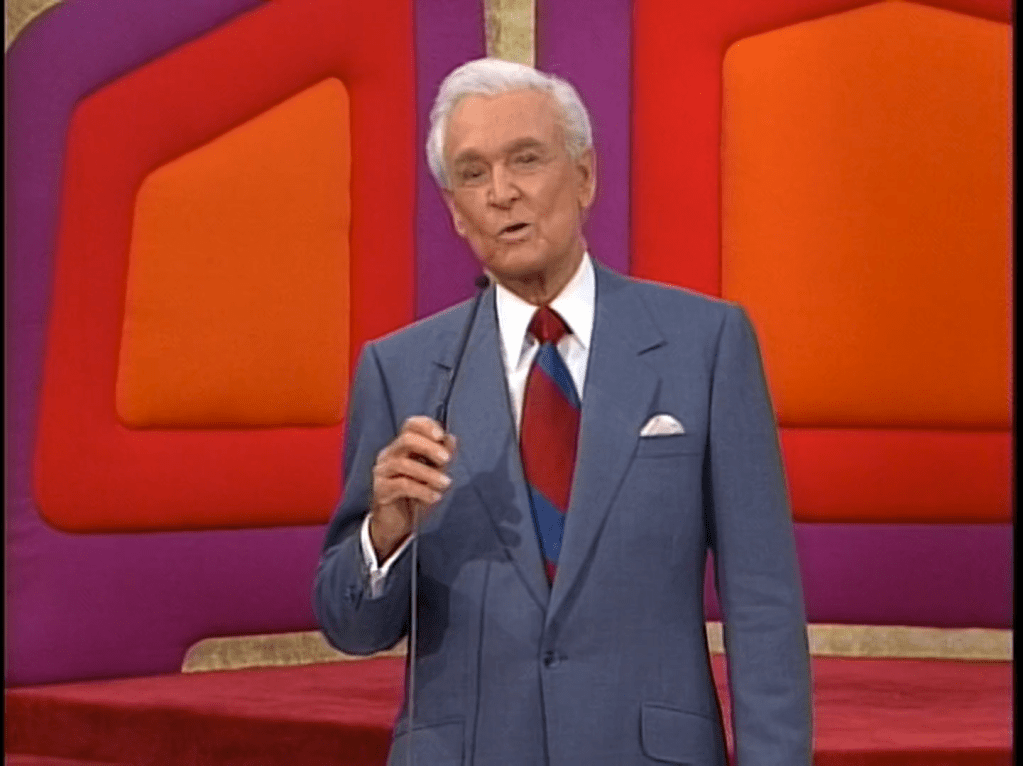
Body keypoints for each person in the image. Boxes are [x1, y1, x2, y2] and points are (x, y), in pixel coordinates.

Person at [314, 57, 811, 765]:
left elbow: (762, 602)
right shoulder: (399, 371)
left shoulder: (705, 344)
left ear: (583, 176)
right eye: (473, 173)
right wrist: (387, 528)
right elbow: (352, 628)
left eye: (525, 159)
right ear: (454, 210)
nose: (502, 193)